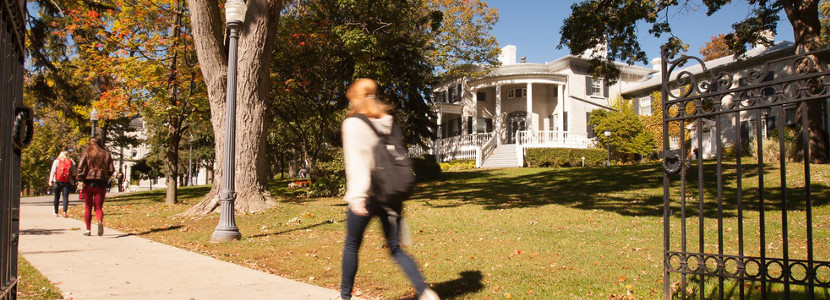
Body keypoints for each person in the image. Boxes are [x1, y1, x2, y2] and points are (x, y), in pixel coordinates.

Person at [337, 79, 439, 300]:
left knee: (352, 245)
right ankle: (425, 292)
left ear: (355, 98)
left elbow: (357, 162)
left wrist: (357, 196)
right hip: (392, 193)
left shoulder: (353, 123)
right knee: (395, 248)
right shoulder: (389, 120)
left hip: (368, 195)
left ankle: (345, 297)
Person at [76, 137, 115, 236]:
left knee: (88, 206)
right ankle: (99, 220)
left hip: (88, 182)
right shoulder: (106, 154)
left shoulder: (86, 153)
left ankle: (88, 230)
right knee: (98, 207)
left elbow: (80, 167)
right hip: (101, 182)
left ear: (90, 143)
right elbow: (112, 169)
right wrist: (105, 176)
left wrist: (80, 178)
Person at [48, 151, 75, 217]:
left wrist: (50, 180)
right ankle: (64, 211)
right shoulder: (71, 162)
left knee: (56, 197)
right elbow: (73, 173)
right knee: (65, 197)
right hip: (67, 182)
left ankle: (56, 212)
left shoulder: (56, 161)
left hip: (57, 181)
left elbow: (53, 171)